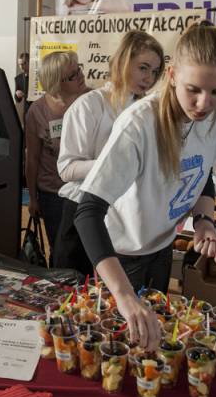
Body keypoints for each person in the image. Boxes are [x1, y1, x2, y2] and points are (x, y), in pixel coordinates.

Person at [74, 24, 216, 350]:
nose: (204, 103)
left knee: (152, 349)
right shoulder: (140, 124)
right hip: (121, 258)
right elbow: (87, 213)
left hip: (161, 248)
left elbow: (203, 173)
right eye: (193, 89)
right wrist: (123, 295)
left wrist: (204, 221)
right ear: (172, 75)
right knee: (118, 351)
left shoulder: (212, 115)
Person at [54, 30, 164, 274]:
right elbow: (67, 168)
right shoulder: (88, 105)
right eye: (143, 68)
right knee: (73, 287)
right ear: (123, 62)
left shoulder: (148, 110)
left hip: (124, 216)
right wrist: (113, 163)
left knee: (111, 291)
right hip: (82, 209)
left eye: (155, 71)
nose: (149, 78)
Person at [25, 51, 88, 254]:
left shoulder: (93, 100)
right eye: (72, 75)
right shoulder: (37, 111)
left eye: (79, 69)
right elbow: (32, 158)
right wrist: (32, 198)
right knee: (61, 250)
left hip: (88, 190)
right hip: (54, 194)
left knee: (88, 250)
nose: (80, 76)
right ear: (55, 83)